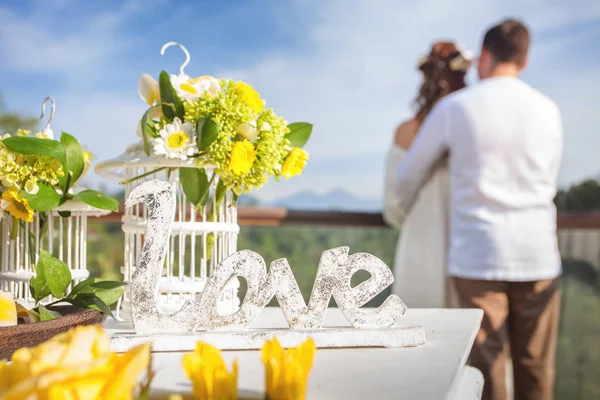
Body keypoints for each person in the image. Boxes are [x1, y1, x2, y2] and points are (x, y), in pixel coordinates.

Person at [391, 19, 562, 400]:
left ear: (484, 55)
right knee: (535, 367)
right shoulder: (548, 109)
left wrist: (403, 215)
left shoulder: (456, 108)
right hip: (538, 254)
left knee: (488, 370)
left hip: (478, 258)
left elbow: (408, 176)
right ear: (525, 59)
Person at [384, 41, 472, 308]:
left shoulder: (406, 132)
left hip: (421, 247)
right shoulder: (474, 132)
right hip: (470, 250)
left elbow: (393, 207)